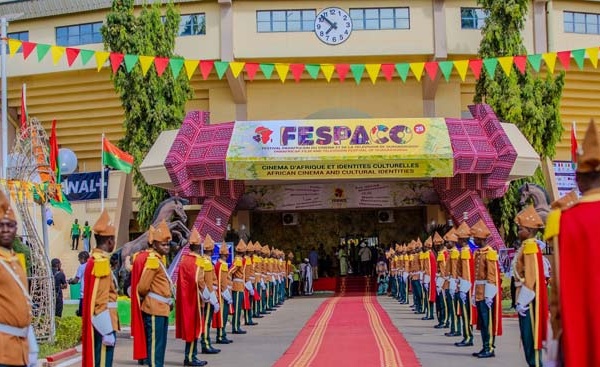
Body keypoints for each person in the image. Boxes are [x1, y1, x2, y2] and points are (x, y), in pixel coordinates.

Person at [544, 120, 600, 367]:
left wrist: (557, 334)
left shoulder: (563, 221)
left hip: (579, 337)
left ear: (577, 178)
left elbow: (556, 294)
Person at [0, 190, 38, 367]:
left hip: (19, 348)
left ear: (16, 228)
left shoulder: (16, 261)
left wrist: (32, 346)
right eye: (1, 225)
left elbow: (24, 304)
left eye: (10, 225)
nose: (5, 229)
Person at [130, 220, 174, 367]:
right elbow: (142, 287)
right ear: (154, 244)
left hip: (162, 308)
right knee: (156, 348)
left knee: (160, 346)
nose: (167, 247)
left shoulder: (160, 260)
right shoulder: (153, 261)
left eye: (168, 244)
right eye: (163, 244)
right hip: (154, 308)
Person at [81, 209, 120, 367]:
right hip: (104, 323)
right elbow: (100, 300)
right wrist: (107, 330)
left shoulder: (93, 259)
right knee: (103, 363)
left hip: (99, 322)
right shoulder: (101, 262)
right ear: (110, 241)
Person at [513, 205, 547, 367]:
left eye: (521, 229)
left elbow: (531, 276)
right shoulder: (527, 246)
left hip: (528, 300)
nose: (519, 232)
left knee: (531, 338)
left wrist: (523, 300)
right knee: (527, 339)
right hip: (525, 297)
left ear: (529, 230)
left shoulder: (530, 246)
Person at [175, 227, 208, 367]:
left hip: (186, 297)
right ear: (198, 246)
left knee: (190, 328)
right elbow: (199, 279)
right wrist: (207, 295)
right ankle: (190, 357)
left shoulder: (184, 259)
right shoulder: (198, 260)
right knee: (195, 328)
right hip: (195, 299)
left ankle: (189, 356)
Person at [471, 219, 502, 359]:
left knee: (487, 321)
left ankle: (489, 347)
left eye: (475, 238)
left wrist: (490, 295)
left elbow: (492, 276)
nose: (474, 240)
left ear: (480, 238)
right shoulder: (478, 252)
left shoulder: (489, 253)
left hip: (486, 292)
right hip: (479, 291)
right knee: (482, 322)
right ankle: (484, 346)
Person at [455, 222, 476, 347]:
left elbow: (466, 271)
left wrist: (463, 288)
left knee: (466, 313)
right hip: (463, 285)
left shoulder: (465, 252)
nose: (457, 240)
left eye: (458, 238)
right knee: (464, 313)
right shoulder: (464, 251)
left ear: (463, 239)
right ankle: (466, 336)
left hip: (465, 286)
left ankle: (468, 337)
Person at [199, 234, 220, 355]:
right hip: (208, 297)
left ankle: (206, 343)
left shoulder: (205, 261)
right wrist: (213, 299)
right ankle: (205, 344)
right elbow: (208, 283)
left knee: (206, 321)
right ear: (211, 250)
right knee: (206, 321)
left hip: (208, 295)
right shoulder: (207, 262)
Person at [443, 228, 461, 337]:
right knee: (451, 307)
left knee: (454, 308)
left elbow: (454, 269)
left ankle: (456, 329)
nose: (446, 243)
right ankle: (453, 328)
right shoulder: (451, 253)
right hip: (449, 281)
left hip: (452, 282)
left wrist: (453, 282)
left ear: (453, 242)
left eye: (448, 241)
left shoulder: (454, 253)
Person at [230, 240, 247, 335]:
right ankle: (235, 327)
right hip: (237, 285)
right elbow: (231, 270)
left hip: (240, 285)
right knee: (237, 308)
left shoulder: (239, 259)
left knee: (239, 307)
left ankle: (237, 325)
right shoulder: (239, 260)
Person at [434, 232, 449, 329]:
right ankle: (441, 320)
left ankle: (445, 320)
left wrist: (441, 282)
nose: (435, 247)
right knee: (439, 303)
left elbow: (443, 270)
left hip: (443, 281)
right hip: (439, 279)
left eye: (437, 245)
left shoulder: (444, 253)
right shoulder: (440, 253)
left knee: (443, 303)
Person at [70, 250, 90, 317]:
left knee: (82, 315)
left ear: (83, 258)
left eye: (79, 258)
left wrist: (70, 281)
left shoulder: (81, 267)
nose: (79, 260)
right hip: (92, 294)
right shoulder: (92, 265)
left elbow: (76, 280)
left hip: (84, 295)